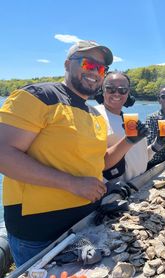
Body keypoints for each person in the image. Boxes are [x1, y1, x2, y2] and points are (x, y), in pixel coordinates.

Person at [0, 41, 144, 266]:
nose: (95, 72)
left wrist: (129, 141)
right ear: (68, 64)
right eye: (89, 64)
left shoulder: (93, 114)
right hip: (39, 233)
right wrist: (71, 183)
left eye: (101, 68)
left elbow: (101, 162)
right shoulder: (40, 95)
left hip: (85, 225)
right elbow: (3, 154)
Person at [95, 71, 165, 183]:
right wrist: (129, 140)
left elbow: (138, 158)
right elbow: (95, 163)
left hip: (140, 184)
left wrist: (156, 146)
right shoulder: (94, 116)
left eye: (122, 90)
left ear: (128, 93)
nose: (117, 93)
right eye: (110, 89)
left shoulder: (130, 120)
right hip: (116, 192)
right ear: (102, 90)